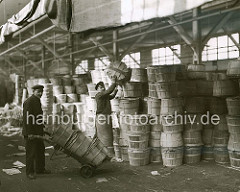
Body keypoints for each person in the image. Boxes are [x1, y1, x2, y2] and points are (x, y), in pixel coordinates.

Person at [22, 84, 51, 180]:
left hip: (38, 132)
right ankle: (29, 172)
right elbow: (27, 119)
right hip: (31, 132)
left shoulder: (37, 101)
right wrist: (29, 133)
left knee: (40, 150)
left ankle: (40, 169)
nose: (41, 93)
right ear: (33, 92)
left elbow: (36, 116)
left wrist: (42, 124)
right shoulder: (29, 102)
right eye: (38, 91)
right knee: (31, 153)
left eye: (41, 91)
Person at [95, 79, 118, 157]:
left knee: (108, 135)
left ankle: (108, 153)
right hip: (102, 117)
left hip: (106, 116)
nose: (102, 88)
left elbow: (111, 96)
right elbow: (108, 92)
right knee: (104, 136)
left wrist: (115, 91)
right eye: (101, 87)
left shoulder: (104, 96)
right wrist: (114, 83)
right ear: (98, 89)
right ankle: (105, 153)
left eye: (103, 87)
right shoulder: (99, 95)